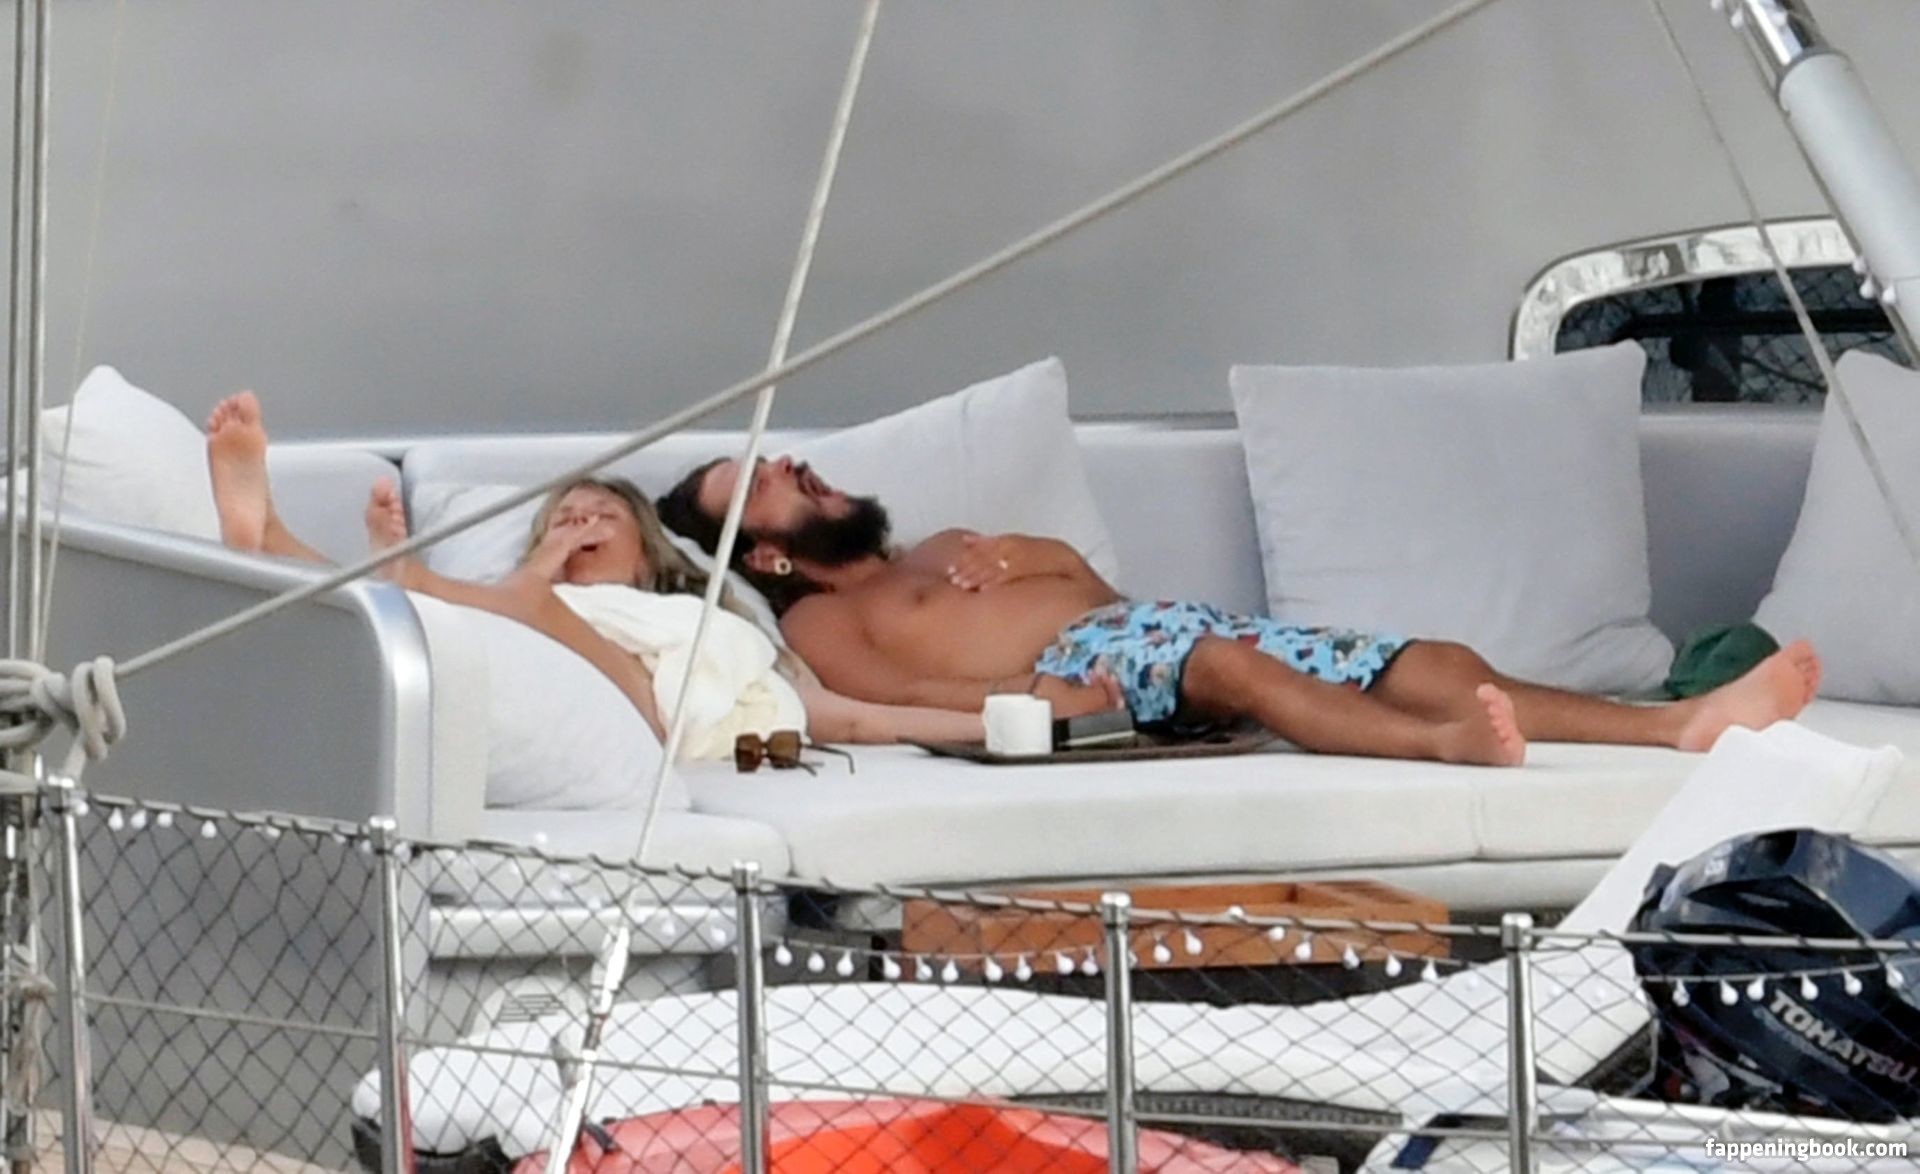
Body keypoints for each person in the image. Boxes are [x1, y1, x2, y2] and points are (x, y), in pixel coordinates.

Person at [656, 454, 1825, 768]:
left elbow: (1101, 595)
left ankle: (1677, 724)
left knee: (1431, 652)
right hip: (1092, 682)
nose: (793, 464)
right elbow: (895, 695)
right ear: (766, 553)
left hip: (1151, 626)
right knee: (1228, 665)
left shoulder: (949, 543)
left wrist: (1040, 554)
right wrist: (1030, 702)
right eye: (764, 481)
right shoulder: (818, 625)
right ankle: (1445, 746)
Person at [202, 393, 986, 751]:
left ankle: (289, 542)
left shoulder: (704, 622)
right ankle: (267, 534)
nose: (582, 525)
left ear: (647, 552)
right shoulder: (524, 607)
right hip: (518, 640)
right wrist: (542, 582)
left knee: (434, 607)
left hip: (651, 712)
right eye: (565, 520)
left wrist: (998, 728)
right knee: (424, 619)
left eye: (601, 518)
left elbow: (855, 719)